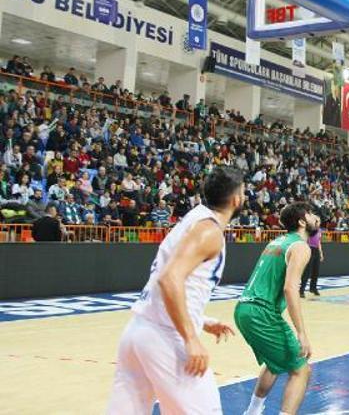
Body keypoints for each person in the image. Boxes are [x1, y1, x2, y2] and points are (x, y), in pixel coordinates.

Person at [106, 166, 244, 415]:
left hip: (137, 332)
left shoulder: (194, 218)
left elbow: (174, 280)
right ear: (237, 199)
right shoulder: (209, 230)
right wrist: (191, 337)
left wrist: (201, 320)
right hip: (165, 337)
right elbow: (169, 279)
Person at [234, 202, 320, 415]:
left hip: (243, 309)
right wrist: (301, 333)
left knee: (274, 363)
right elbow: (291, 289)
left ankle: (252, 412)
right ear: (302, 222)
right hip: (261, 312)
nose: (315, 217)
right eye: (310, 214)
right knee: (301, 369)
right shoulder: (300, 246)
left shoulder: (277, 241)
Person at [299, 225, 324, 297]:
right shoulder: (309, 229)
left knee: (316, 271)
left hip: (316, 250)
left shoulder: (320, 230)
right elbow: (304, 240)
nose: (318, 222)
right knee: (307, 271)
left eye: (319, 220)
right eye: (317, 220)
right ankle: (301, 290)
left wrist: (321, 253)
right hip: (309, 249)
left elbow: (318, 242)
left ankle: (313, 288)